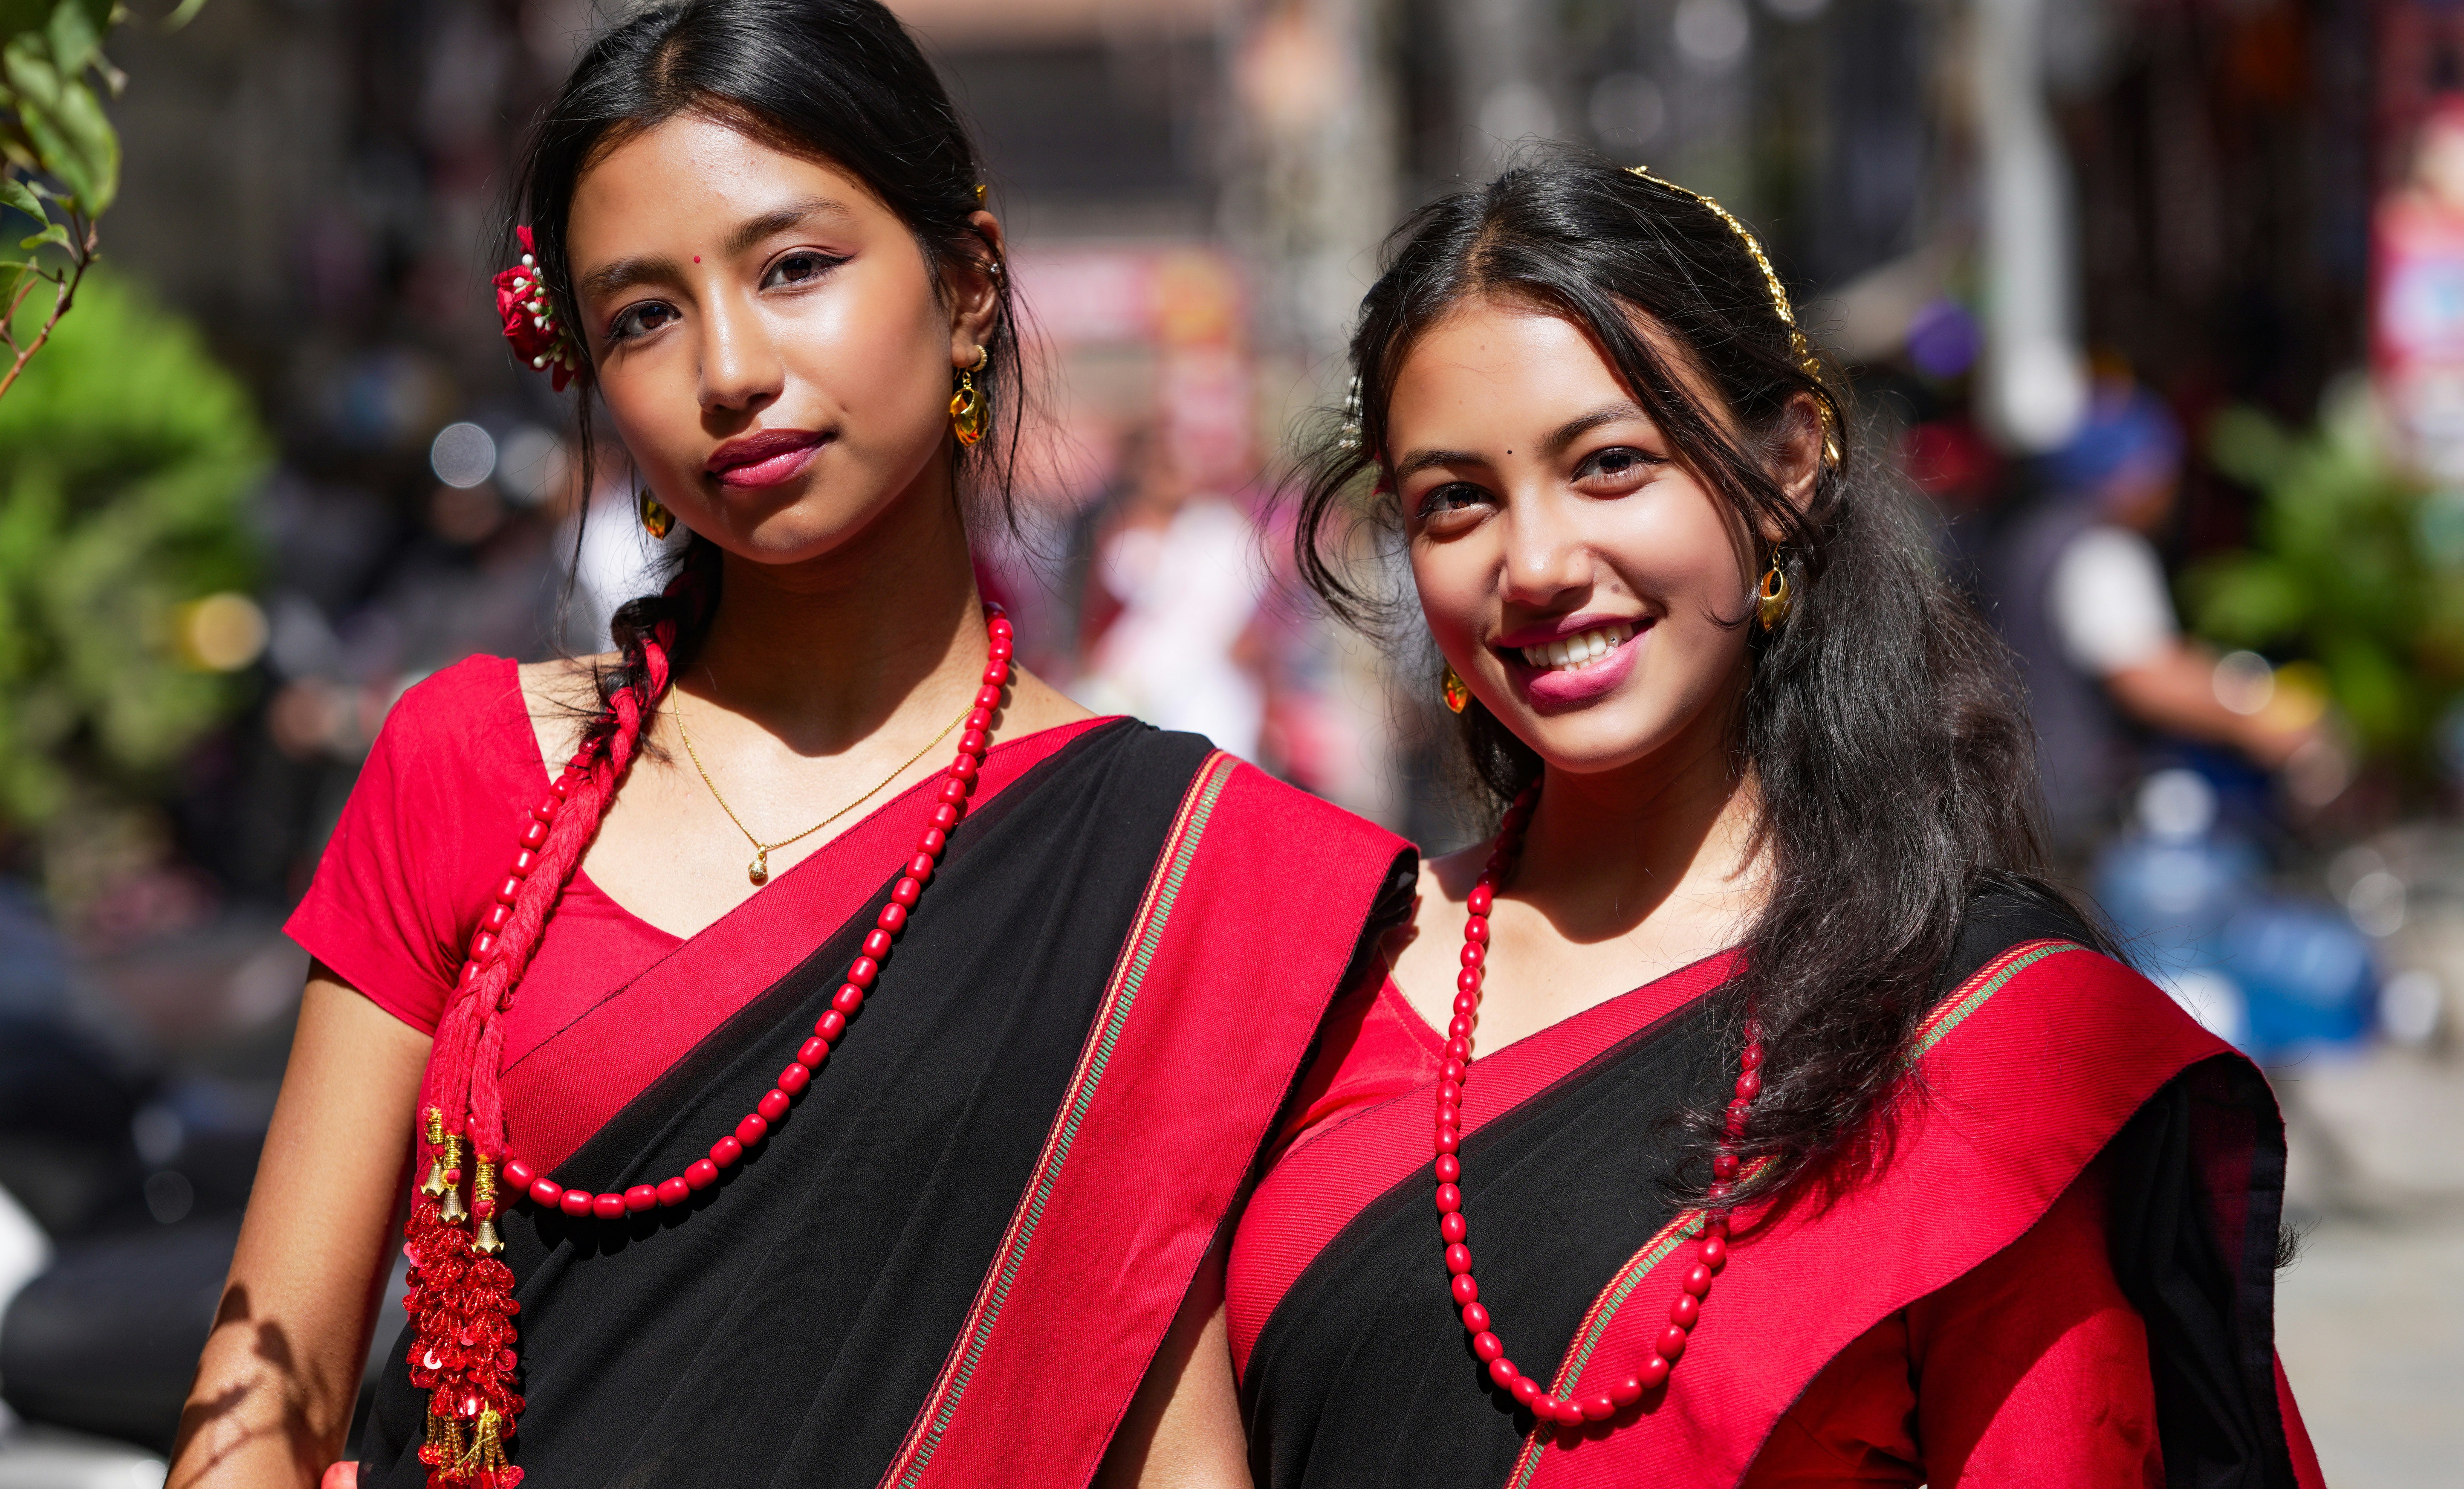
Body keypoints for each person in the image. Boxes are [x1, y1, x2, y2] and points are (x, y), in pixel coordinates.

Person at [165, 5, 1410, 1487]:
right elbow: (261, 1398)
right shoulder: (473, 764)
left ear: (965, 287)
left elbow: (1169, 1443)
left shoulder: (1184, 871)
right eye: (641, 314)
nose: (728, 368)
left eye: (794, 267)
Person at [1215, 154, 2325, 1487]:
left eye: (1612, 465)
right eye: (1457, 499)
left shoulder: (1983, 1039)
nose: (1538, 565)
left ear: (1789, 464)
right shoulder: (1314, 988)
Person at [1983, 380, 2327, 853]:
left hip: (2024, 798)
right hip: (2079, 815)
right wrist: (2257, 719)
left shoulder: (2030, 534)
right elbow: (2144, 677)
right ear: (2137, 475)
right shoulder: (2102, 550)